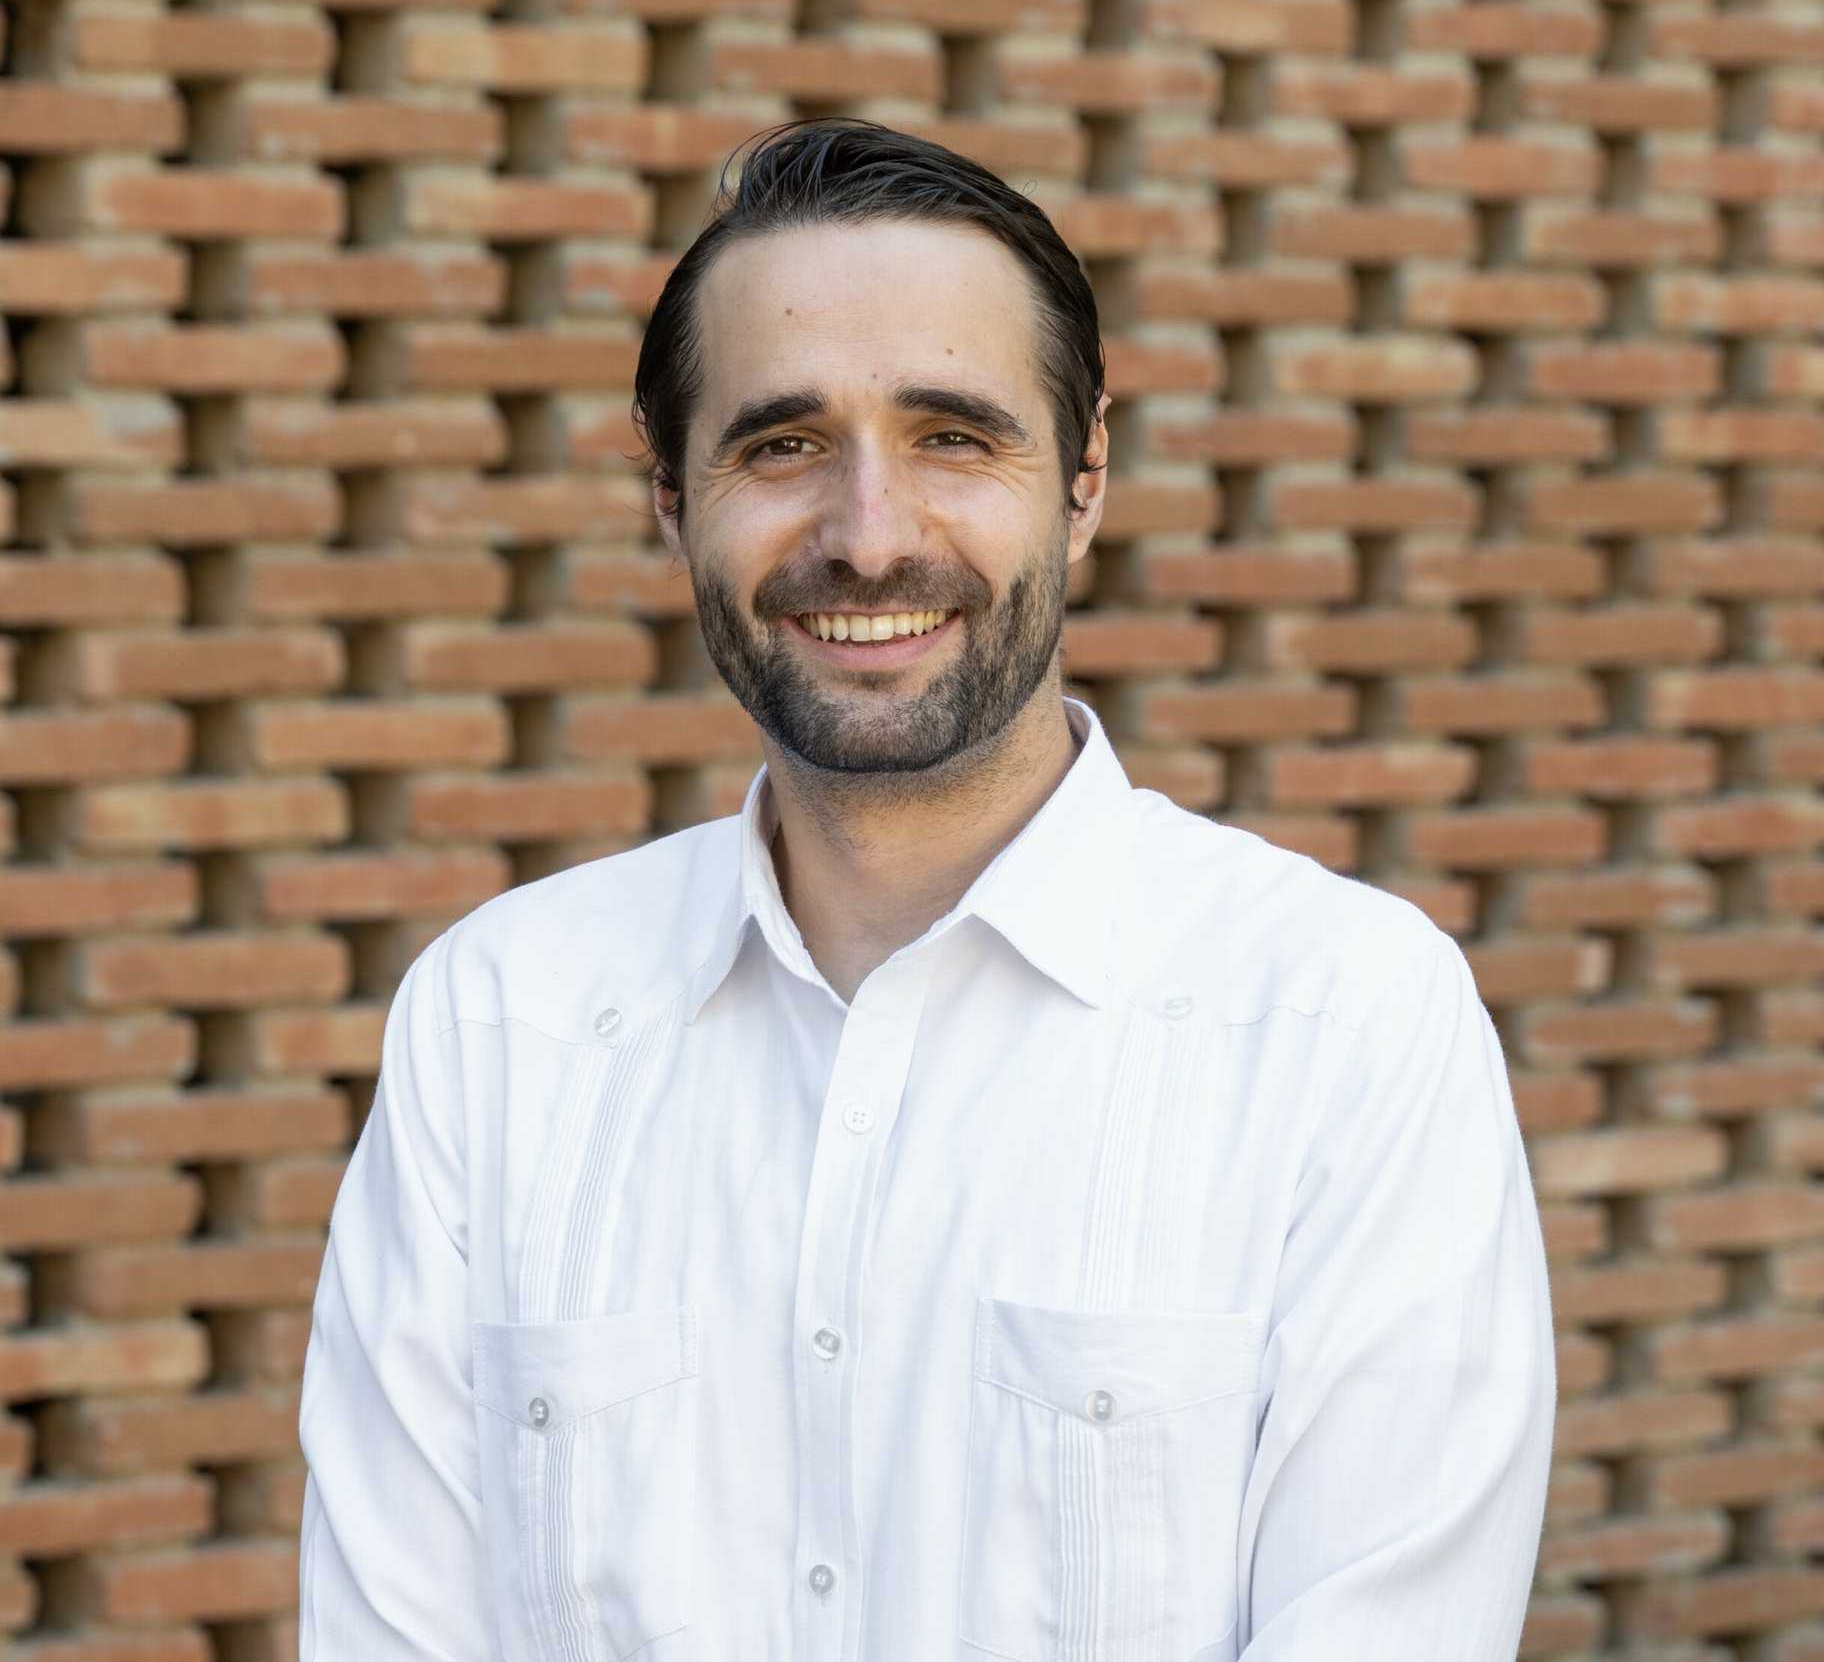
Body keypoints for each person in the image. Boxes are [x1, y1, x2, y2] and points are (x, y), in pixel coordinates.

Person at [297, 118, 1556, 1661]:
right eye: (781, 445)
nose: (869, 536)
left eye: (955, 436)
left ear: (1085, 479)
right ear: (670, 495)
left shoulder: (1345, 1026)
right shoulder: (498, 1024)